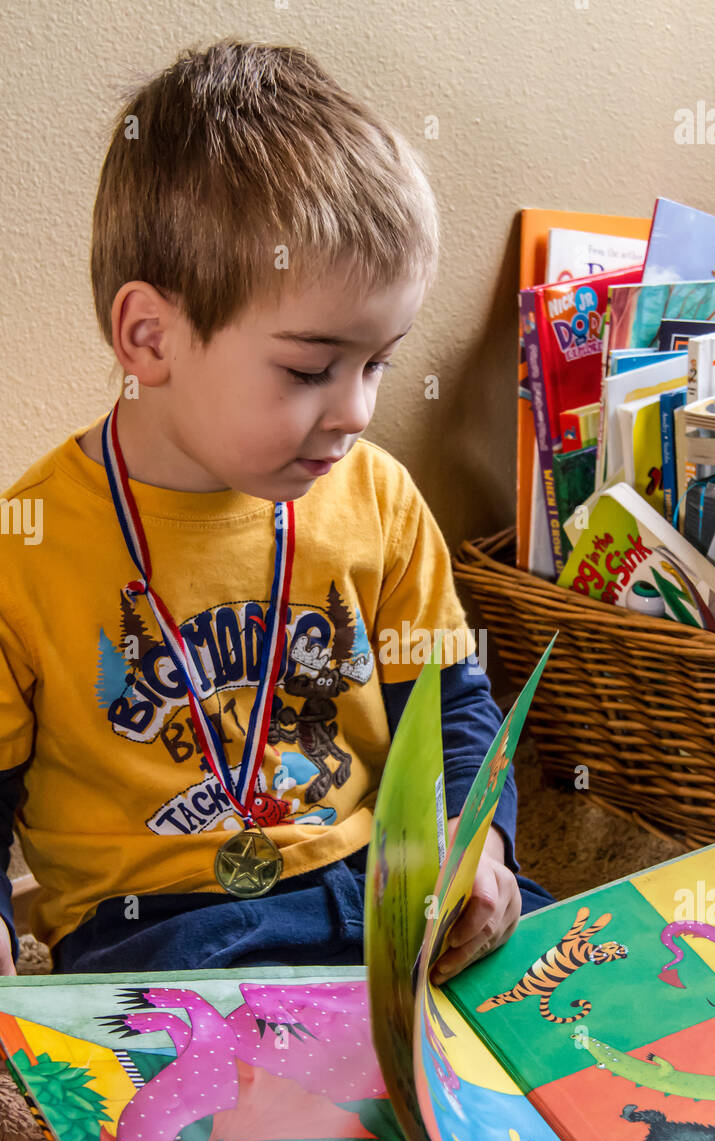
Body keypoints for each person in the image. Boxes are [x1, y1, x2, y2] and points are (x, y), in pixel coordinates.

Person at [0, 38, 554, 981]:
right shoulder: (28, 548)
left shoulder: (377, 494)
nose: (357, 412)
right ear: (151, 336)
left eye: (377, 363)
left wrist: (481, 847)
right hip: (170, 925)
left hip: (388, 883)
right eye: (309, 369)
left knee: (579, 992)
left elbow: (453, 705)